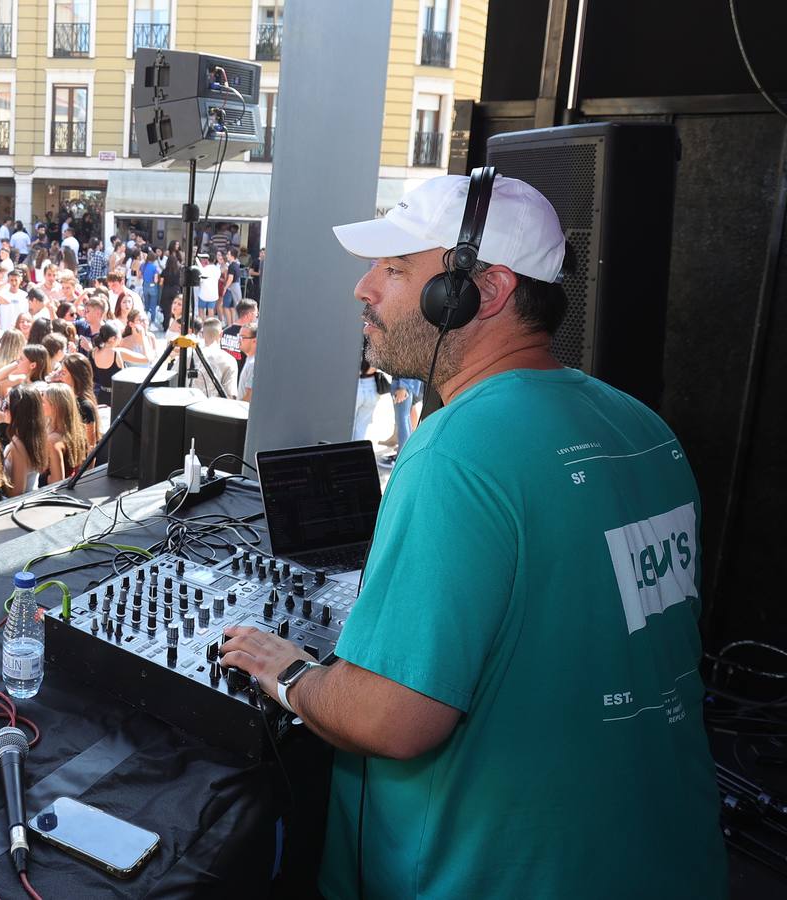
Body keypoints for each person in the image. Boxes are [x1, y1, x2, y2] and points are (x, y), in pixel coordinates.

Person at [220, 173, 725, 898]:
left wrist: (290, 673)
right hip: (666, 859)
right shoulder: (645, 430)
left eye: (395, 270)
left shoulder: (456, 452)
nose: (364, 289)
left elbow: (394, 720)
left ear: (477, 291)